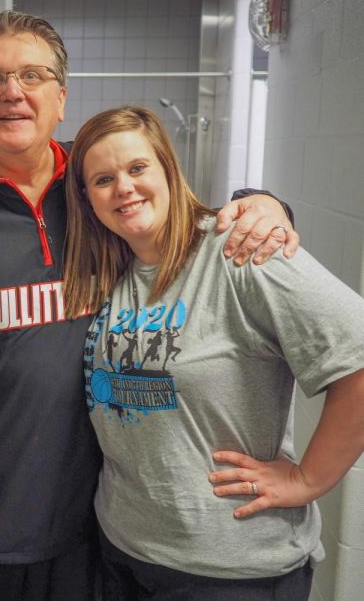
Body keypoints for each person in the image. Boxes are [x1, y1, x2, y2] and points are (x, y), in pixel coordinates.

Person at [0, 11, 298, 600]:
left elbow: (194, 222)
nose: (12, 91)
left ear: (61, 97)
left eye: (31, 75)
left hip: (94, 523)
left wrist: (263, 202)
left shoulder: (104, 185)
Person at [61, 106, 364, 600]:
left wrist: (308, 479)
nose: (124, 187)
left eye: (138, 168)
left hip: (232, 566)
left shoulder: (241, 252)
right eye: (103, 178)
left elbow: (358, 358)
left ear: (168, 170)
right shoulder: (110, 269)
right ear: (88, 199)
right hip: (123, 549)